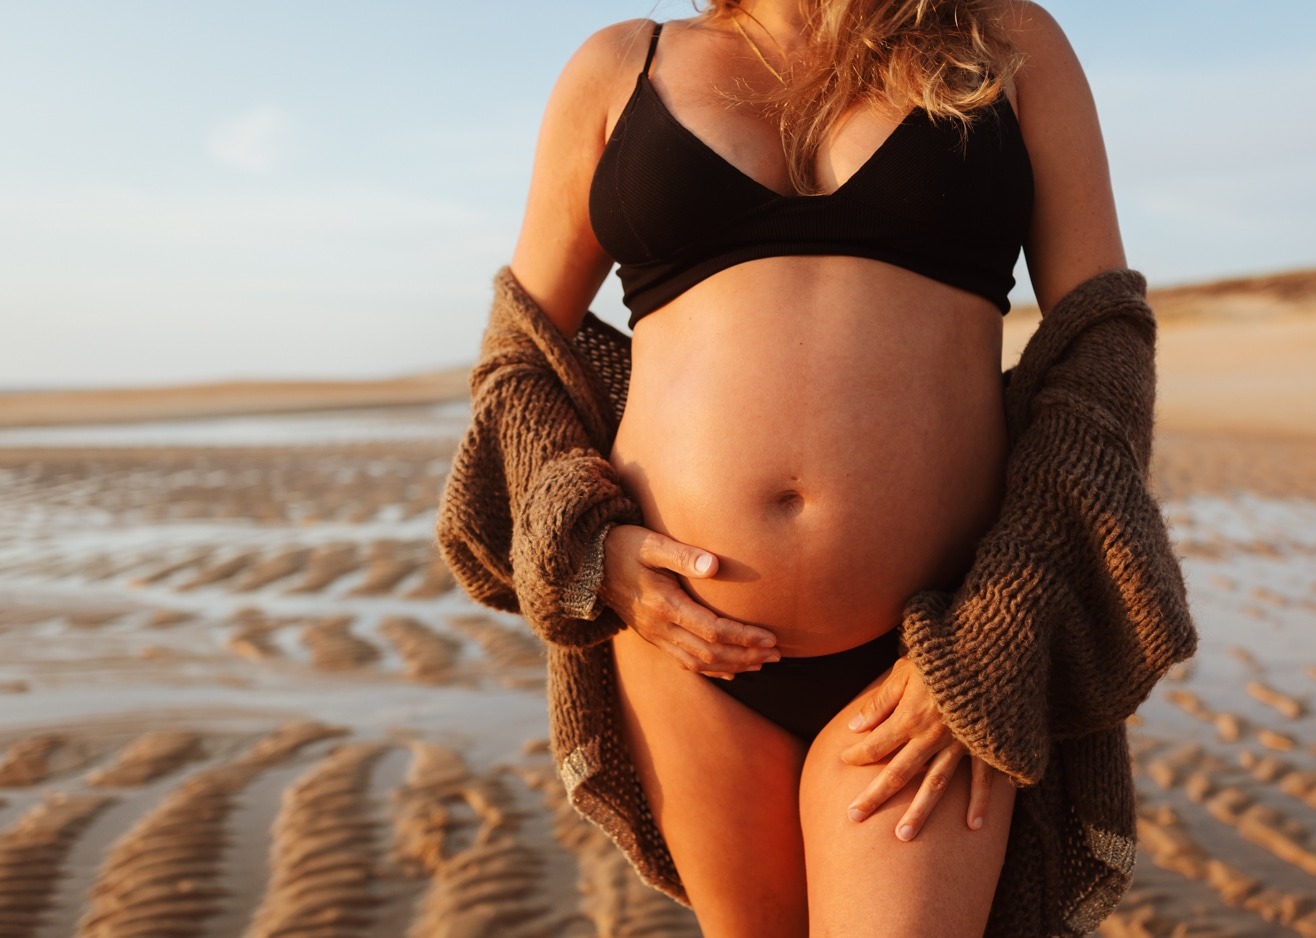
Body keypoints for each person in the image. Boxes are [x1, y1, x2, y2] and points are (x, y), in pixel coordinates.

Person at [438, 1, 1195, 935]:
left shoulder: (1004, 40)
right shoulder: (617, 67)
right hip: (683, 647)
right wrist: (597, 549)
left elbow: (1101, 340)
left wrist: (1006, 615)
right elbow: (520, 353)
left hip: (935, 650)